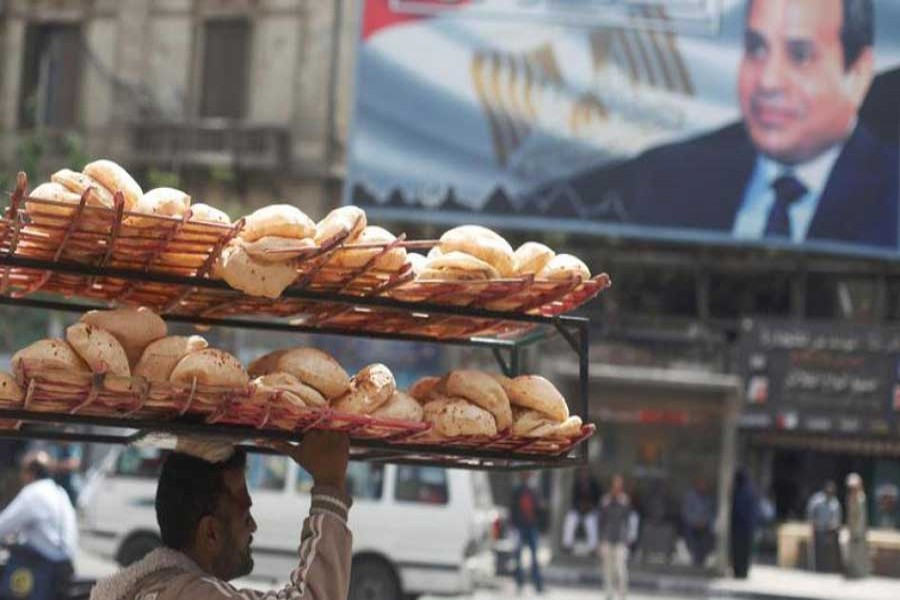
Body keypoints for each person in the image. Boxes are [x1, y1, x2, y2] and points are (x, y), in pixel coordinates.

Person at [622, 0, 897, 249]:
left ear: (858, 74)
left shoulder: (891, 195)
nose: (768, 80)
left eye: (800, 55)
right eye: (756, 48)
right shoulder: (670, 179)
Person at [90, 431, 351, 600]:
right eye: (245, 515)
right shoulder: (188, 594)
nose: (254, 526)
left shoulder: (153, 589)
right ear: (211, 532)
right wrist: (329, 486)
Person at [0, 450, 77, 600]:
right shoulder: (59, 492)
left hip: (46, 565)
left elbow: (3, 525)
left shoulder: (33, 493)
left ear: (30, 472)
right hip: (66, 563)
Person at [509, 471, 545, 595]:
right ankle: (519, 582)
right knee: (518, 556)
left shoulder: (533, 491)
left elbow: (539, 509)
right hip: (520, 527)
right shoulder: (517, 491)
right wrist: (513, 526)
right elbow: (512, 509)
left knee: (534, 556)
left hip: (531, 526)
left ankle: (538, 584)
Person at [598, 474, 631, 600]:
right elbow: (600, 522)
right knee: (608, 570)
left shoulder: (624, 500)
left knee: (621, 569)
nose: (617, 486)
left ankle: (622, 594)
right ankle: (609, 594)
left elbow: (627, 521)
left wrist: (627, 537)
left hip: (620, 539)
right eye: (615, 483)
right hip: (607, 538)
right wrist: (600, 540)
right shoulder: (605, 500)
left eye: (619, 484)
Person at [562, 468, 601, 554]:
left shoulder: (593, 483)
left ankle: (593, 547)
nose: (584, 474)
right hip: (578, 509)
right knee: (570, 519)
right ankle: (567, 545)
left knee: (591, 523)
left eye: (586, 472)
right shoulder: (576, 483)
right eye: (582, 472)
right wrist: (580, 506)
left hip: (590, 511)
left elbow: (597, 499)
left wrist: (590, 506)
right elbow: (574, 499)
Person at [806, 480, 842, 573]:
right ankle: (818, 568)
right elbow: (811, 512)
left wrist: (834, 526)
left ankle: (828, 569)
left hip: (830, 531)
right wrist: (812, 523)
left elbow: (837, 517)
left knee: (828, 551)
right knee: (818, 550)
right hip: (818, 529)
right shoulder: (817, 500)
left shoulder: (835, 503)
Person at [730, 469, 760, 579]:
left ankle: (739, 572)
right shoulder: (750, 491)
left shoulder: (741, 492)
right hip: (748, 528)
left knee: (739, 550)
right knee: (744, 551)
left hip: (740, 528)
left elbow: (738, 510)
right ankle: (742, 572)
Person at [681, 477, 715, 568]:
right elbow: (686, 512)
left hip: (704, 525)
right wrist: (695, 521)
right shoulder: (690, 496)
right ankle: (695, 557)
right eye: (701, 484)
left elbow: (711, 512)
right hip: (692, 524)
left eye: (705, 485)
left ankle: (702, 558)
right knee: (690, 535)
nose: (703, 487)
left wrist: (704, 521)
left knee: (708, 536)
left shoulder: (708, 498)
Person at [844, 473, 869, 579]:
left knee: (859, 552)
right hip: (851, 529)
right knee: (851, 551)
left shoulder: (860, 498)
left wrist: (857, 532)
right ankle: (853, 571)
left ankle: (860, 573)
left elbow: (861, 518)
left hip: (859, 531)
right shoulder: (849, 498)